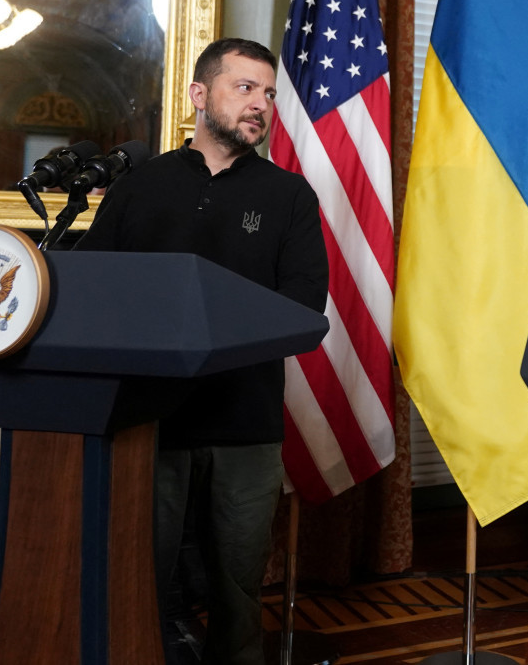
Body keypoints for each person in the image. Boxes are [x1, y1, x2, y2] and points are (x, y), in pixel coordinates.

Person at [74, 37, 329, 665]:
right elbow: (94, 292)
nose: (261, 105)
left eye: (268, 94)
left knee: (238, 592)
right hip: (148, 420)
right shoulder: (139, 187)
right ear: (199, 95)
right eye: (245, 88)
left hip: (246, 424)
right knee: (137, 581)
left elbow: (302, 308)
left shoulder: (289, 197)